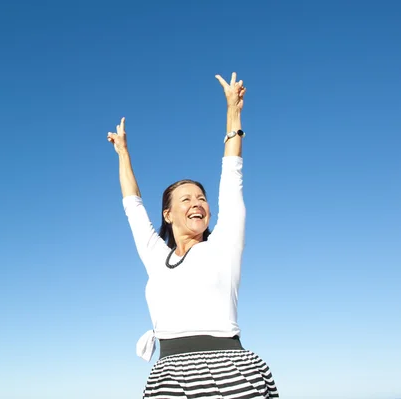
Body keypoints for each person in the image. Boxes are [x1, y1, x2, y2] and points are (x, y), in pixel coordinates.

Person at [107, 72, 279, 398]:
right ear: (168, 214)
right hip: (168, 376)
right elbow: (133, 207)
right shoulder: (158, 259)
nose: (197, 203)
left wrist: (234, 112)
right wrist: (123, 155)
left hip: (229, 371)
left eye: (201, 199)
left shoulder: (223, 245)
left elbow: (232, 175)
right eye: (186, 199)